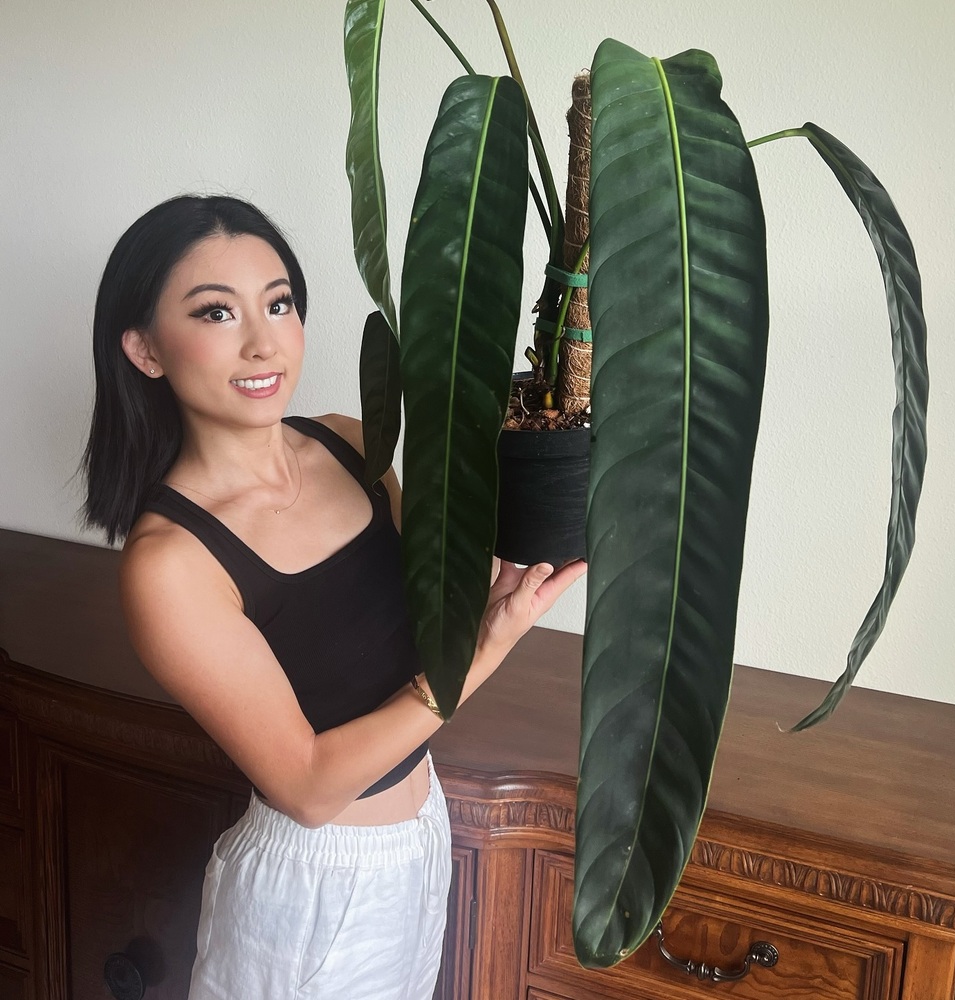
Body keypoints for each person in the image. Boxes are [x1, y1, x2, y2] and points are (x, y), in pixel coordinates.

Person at [82, 194, 586, 1000]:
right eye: (216, 312)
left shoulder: (349, 441)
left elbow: (417, 614)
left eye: (278, 302)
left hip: (422, 834)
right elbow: (311, 787)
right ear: (145, 350)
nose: (263, 340)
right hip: (313, 889)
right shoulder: (170, 564)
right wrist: (487, 647)